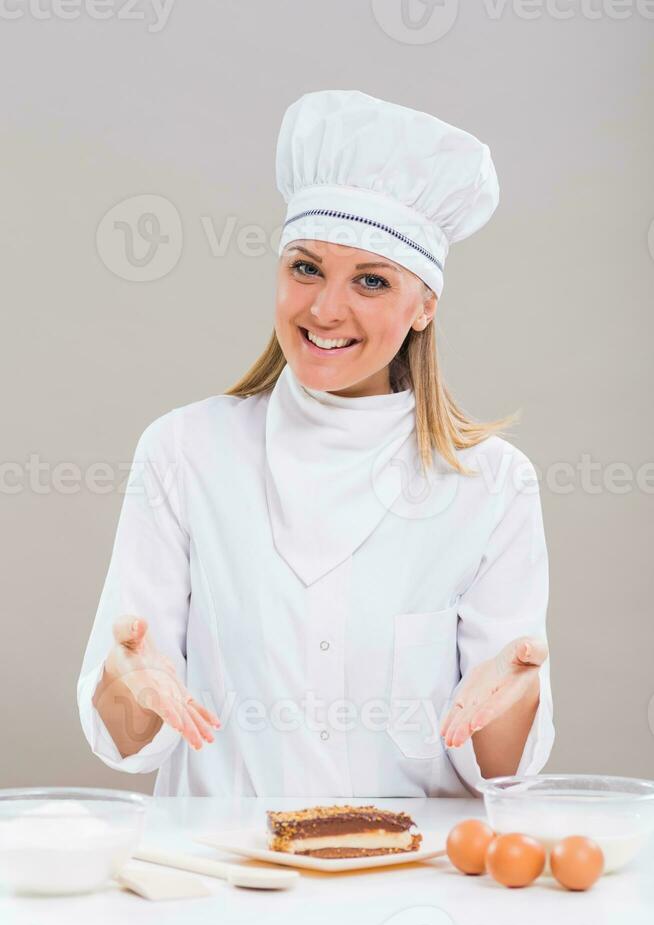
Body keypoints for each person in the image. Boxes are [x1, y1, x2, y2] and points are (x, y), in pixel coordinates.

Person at [77, 89, 554, 798]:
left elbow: (499, 768)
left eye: (371, 280)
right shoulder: (184, 452)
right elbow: (128, 740)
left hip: (410, 895)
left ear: (425, 305)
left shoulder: (491, 485)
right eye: (305, 267)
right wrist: (126, 681)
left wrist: (512, 698)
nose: (326, 309)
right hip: (226, 888)